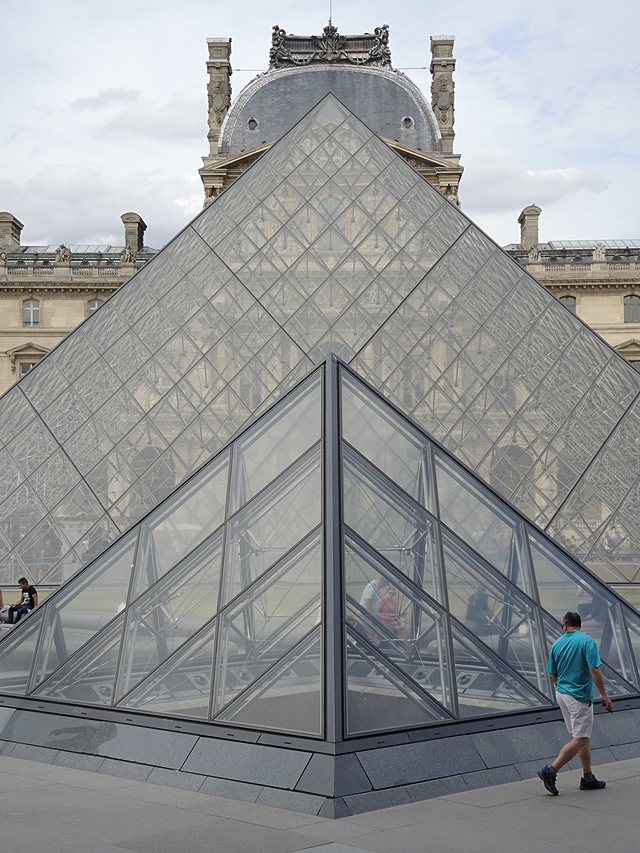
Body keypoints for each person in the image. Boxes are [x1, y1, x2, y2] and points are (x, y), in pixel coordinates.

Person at [538, 611, 613, 795]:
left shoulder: (556, 644)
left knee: (582, 737)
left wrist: (562, 687)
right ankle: (551, 771)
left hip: (562, 694)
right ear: (579, 624)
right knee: (579, 739)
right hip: (579, 696)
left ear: (565, 625)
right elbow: (594, 669)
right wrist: (604, 695)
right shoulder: (586, 642)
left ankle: (588, 778)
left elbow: (551, 673)